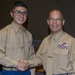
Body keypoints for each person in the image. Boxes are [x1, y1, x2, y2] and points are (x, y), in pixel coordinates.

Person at [24, 9, 75, 75]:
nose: (54, 22)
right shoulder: (45, 41)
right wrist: (26, 63)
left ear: (63, 22)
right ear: (48, 22)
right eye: (52, 19)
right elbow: (39, 59)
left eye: (58, 19)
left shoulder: (71, 41)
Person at [0, 1, 35, 75]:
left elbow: (32, 57)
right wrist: (16, 64)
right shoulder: (3, 33)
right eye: (18, 12)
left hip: (27, 72)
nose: (21, 15)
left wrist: (32, 73)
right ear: (12, 14)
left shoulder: (29, 35)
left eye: (24, 13)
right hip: (9, 72)